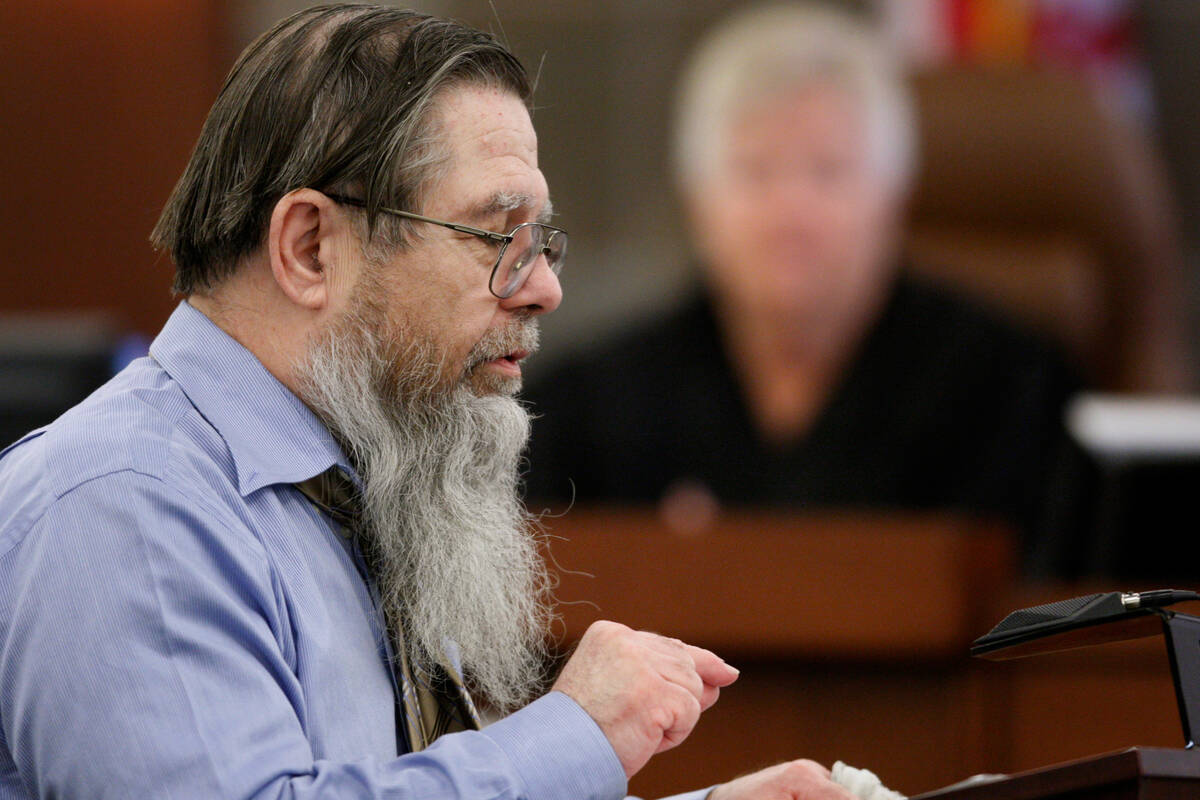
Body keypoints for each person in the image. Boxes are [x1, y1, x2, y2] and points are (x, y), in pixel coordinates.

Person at [0, 5, 861, 799]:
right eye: (498, 236)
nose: (545, 288)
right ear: (309, 249)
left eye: (542, 241)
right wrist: (578, 734)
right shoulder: (122, 505)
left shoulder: (366, 478)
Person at [523, 3, 1081, 558]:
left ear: (894, 197)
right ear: (696, 201)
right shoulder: (586, 410)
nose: (791, 212)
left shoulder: (1012, 393)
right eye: (755, 170)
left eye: (827, 170)